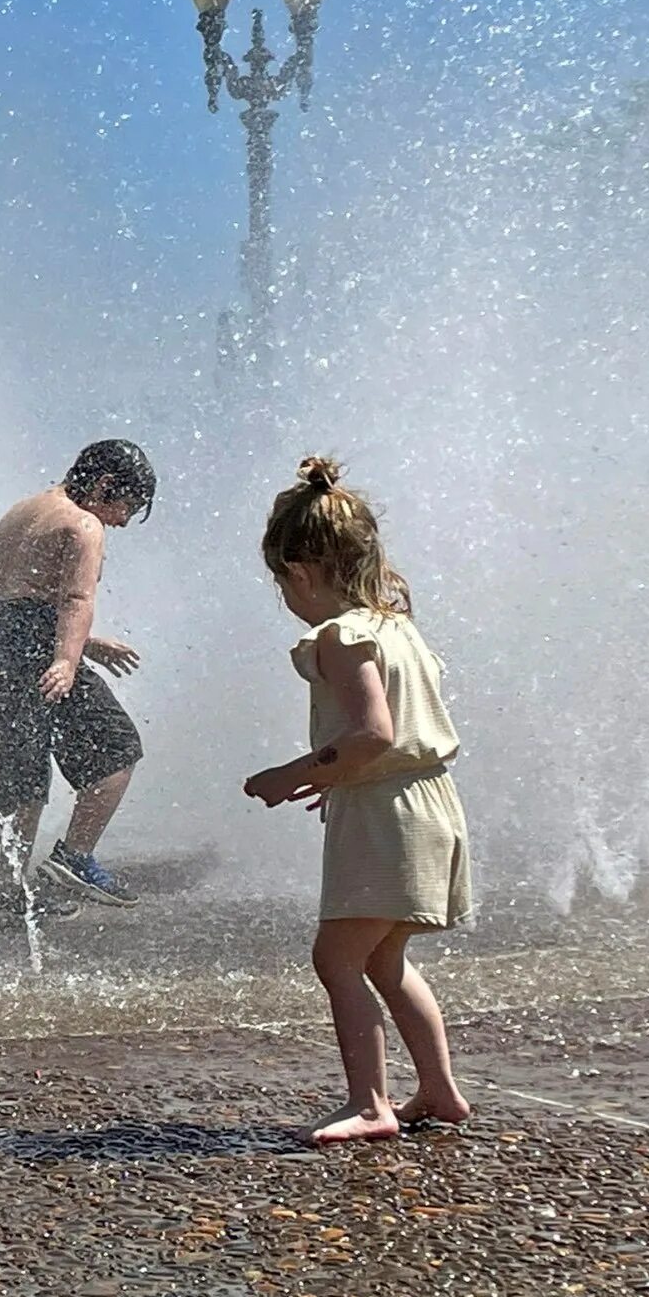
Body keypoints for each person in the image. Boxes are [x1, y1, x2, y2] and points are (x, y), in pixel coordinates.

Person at [243, 455, 473, 1146]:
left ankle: (370, 1103)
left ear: (302, 573)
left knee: (336, 960)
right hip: (425, 802)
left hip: (387, 814)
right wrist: (335, 776)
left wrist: (294, 771)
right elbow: (386, 741)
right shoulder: (397, 627)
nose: (285, 596)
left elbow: (374, 730)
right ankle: (438, 1090)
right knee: (383, 959)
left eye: (281, 582)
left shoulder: (340, 636)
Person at [0, 439, 156, 916]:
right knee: (116, 747)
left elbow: (14, 602)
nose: (122, 521)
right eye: (126, 506)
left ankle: (8, 893)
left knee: (18, 777)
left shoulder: (27, 509)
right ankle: (74, 857)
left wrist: (85, 644)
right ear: (105, 486)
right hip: (31, 652)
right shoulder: (83, 523)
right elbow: (75, 601)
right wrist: (66, 659)